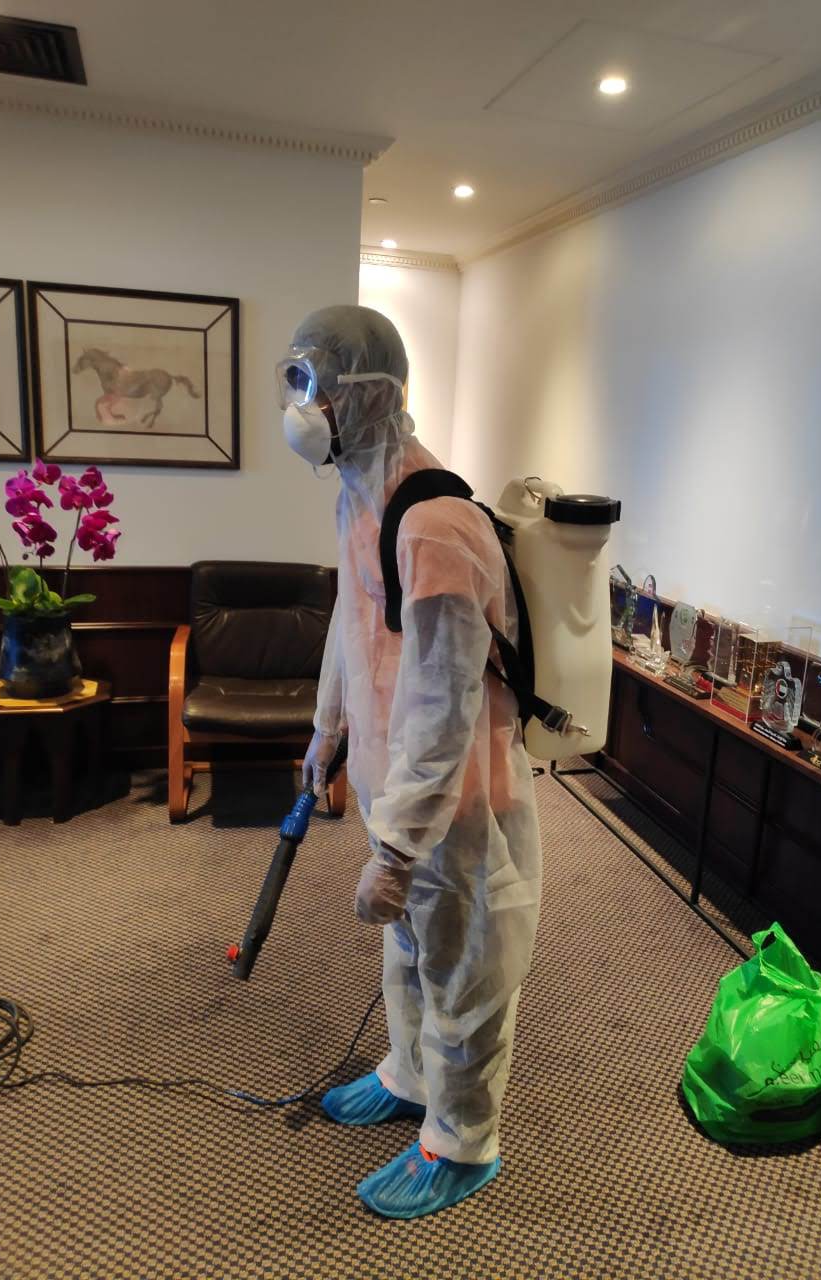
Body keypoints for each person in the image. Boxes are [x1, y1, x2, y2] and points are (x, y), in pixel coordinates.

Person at [279, 305, 542, 1220]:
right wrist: (326, 731)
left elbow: (446, 699)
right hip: (398, 782)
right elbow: (350, 628)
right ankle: (408, 1075)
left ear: (368, 394)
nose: (300, 404)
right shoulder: (360, 493)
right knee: (408, 949)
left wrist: (397, 848)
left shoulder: (434, 524)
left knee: (465, 963)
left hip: (458, 798)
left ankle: (462, 1143)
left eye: (314, 383)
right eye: (295, 380)